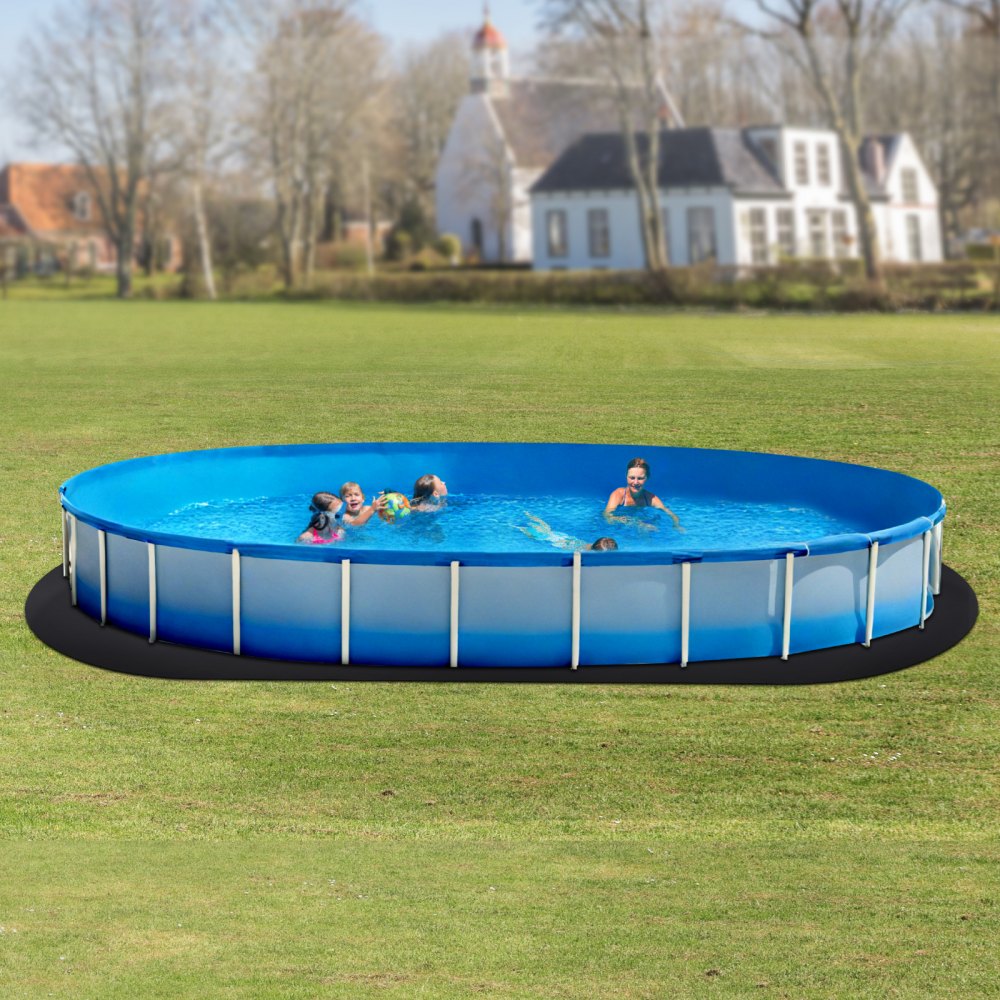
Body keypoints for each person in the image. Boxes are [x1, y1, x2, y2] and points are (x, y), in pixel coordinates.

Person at [604, 457, 682, 530]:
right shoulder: (618, 495)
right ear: (626, 476)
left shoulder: (651, 499)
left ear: (647, 478)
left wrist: (677, 525)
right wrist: (636, 523)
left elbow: (672, 515)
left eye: (640, 478)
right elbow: (607, 516)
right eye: (632, 478)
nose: (635, 482)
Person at [517, 513, 619, 552]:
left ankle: (527, 515)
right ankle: (517, 527)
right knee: (540, 535)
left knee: (548, 532)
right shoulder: (585, 551)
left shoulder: (591, 545)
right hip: (560, 543)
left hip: (566, 538)